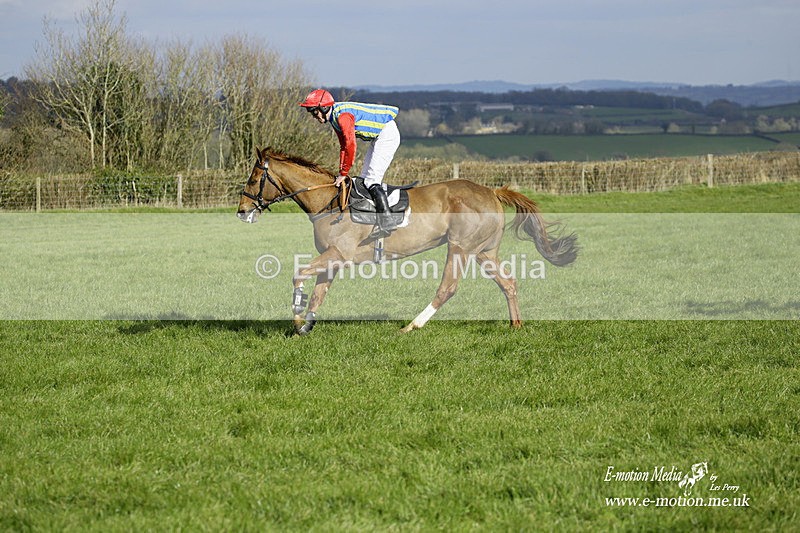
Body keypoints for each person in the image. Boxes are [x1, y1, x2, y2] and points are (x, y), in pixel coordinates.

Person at [299, 89, 400, 238]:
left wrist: (344, 173)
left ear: (324, 107)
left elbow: (351, 145)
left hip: (387, 134)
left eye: (314, 112)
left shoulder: (343, 117)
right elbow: (343, 147)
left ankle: (387, 221)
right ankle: (371, 218)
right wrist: (341, 172)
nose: (314, 116)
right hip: (379, 136)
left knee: (371, 181)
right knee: (364, 180)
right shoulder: (334, 117)